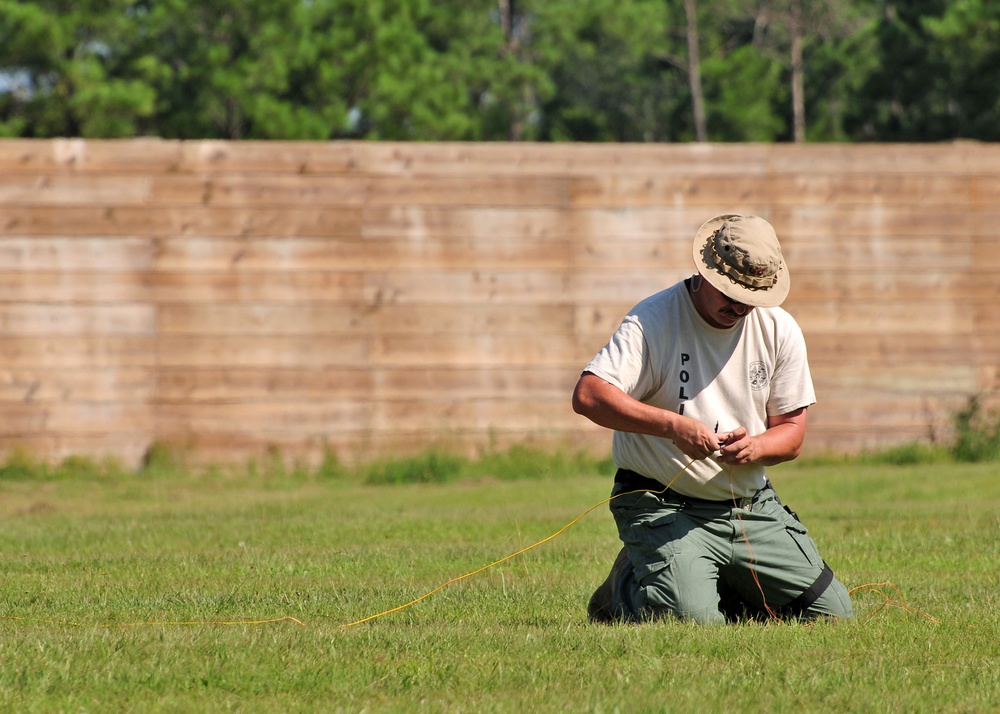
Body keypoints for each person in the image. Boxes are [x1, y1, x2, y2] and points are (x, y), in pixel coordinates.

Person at [573, 214, 853, 625]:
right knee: (695, 622)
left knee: (832, 614)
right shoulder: (651, 320)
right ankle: (624, 590)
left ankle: (703, 578)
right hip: (660, 502)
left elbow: (792, 436)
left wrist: (755, 447)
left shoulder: (781, 330)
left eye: (751, 297)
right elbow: (589, 395)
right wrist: (671, 426)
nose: (739, 307)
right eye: (730, 293)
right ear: (706, 273)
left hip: (749, 506)